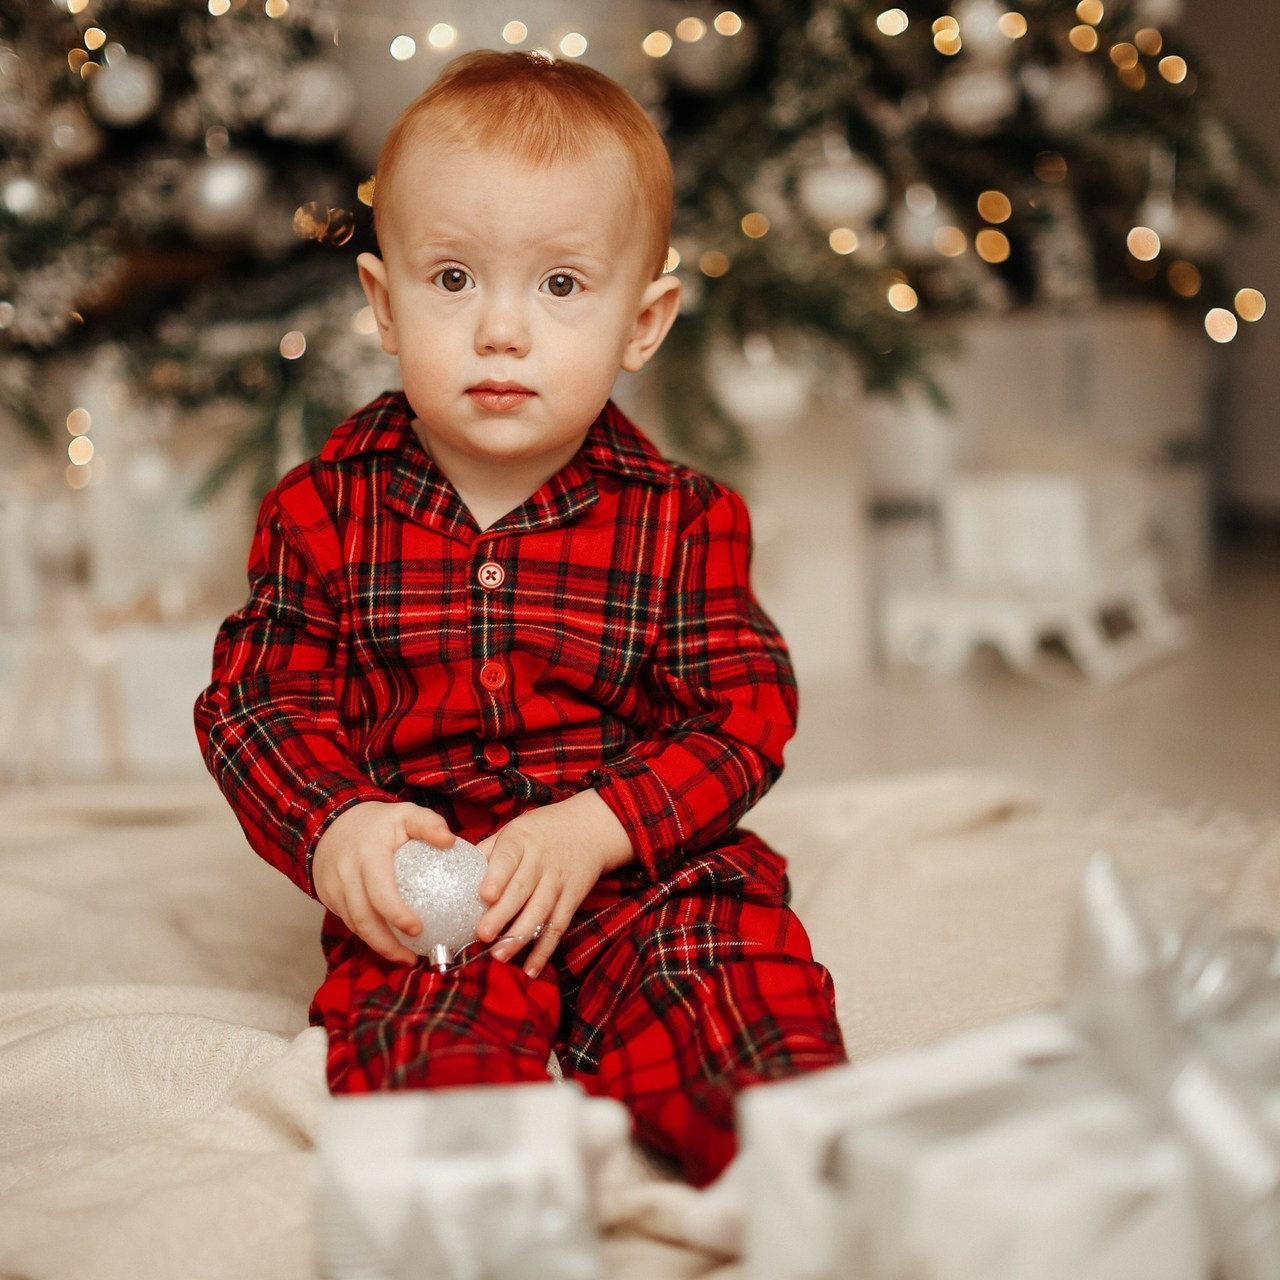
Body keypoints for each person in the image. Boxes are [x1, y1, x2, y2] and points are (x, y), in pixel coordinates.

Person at [195, 48, 846, 1187]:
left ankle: (803, 1176)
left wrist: (602, 825)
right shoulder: (321, 511)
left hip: (637, 867)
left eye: (559, 285)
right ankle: (477, 1208)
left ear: (641, 322)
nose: (501, 329)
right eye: (452, 279)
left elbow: (742, 714)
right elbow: (260, 701)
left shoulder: (681, 520)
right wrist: (338, 819)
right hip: (432, 874)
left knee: (727, 979)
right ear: (383, 303)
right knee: (420, 1036)